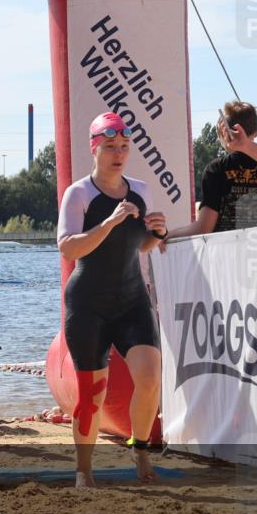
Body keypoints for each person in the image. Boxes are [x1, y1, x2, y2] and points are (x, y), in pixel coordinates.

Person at [57, 112, 168, 488]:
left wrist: (158, 231)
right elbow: (68, 247)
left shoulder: (140, 189)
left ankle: (140, 451)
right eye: (109, 147)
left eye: (123, 147)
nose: (118, 154)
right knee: (91, 394)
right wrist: (108, 224)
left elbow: (144, 245)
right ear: (94, 149)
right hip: (88, 304)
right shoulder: (80, 193)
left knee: (151, 378)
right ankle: (84, 470)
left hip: (132, 298)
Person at [170, 102, 257, 239]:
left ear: (224, 132)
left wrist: (170, 235)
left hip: (224, 255)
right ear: (256, 132)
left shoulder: (216, 169)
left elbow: (204, 228)